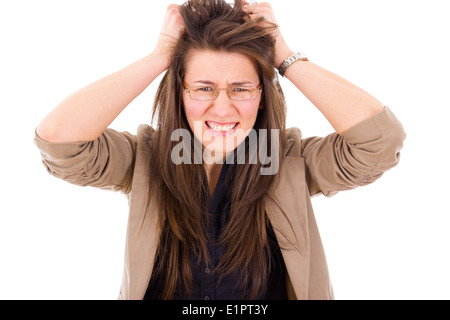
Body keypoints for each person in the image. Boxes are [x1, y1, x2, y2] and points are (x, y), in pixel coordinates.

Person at [34, 0, 406, 300]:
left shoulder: (289, 158)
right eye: (204, 88)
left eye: (241, 88)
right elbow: (59, 140)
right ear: (179, 94)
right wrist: (161, 56)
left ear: (262, 98)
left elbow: (379, 141)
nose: (223, 108)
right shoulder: (144, 158)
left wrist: (283, 56)